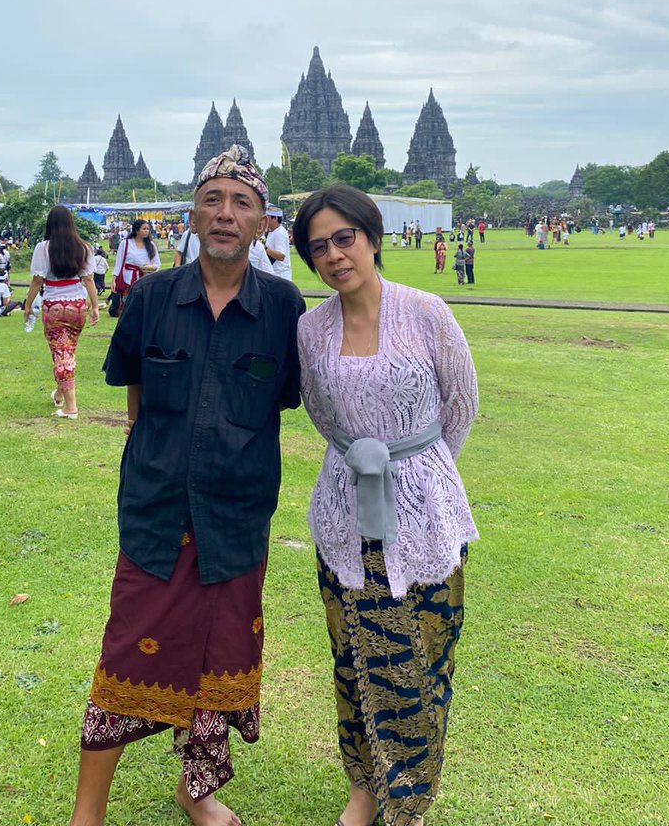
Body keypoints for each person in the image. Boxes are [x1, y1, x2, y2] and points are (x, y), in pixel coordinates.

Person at [69, 145, 305, 826]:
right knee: (125, 650)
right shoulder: (149, 299)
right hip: (157, 514)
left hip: (235, 519)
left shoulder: (284, 310)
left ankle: (194, 792)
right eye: (214, 199)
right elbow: (136, 397)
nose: (226, 214)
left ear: (263, 223)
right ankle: (87, 814)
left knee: (218, 658)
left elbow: (281, 401)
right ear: (192, 215)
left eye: (242, 203)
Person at [292, 185, 478, 826]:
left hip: (425, 512)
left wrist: (414, 467)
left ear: (372, 237)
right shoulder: (310, 330)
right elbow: (320, 411)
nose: (335, 255)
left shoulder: (427, 312)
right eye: (319, 246)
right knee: (352, 656)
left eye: (345, 238)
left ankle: (410, 801)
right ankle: (364, 789)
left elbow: (460, 405)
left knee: (423, 659)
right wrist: (362, 460)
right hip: (346, 513)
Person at [24, 206, 99, 420]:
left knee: (61, 353)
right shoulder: (84, 247)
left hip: (54, 305)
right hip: (77, 304)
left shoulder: (43, 248)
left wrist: (28, 304)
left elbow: (38, 279)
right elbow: (89, 279)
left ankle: (71, 406)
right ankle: (59, 392)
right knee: (67, 350)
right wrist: (94, 307)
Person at [113, 221, 161, 311]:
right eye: (144, 229)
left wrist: (150, 267)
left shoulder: (151, 245)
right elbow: (119, 262)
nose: (146, 231)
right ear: (136, 230)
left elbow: (157, 263)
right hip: (128, 278)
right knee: (128, 305)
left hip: (145, 278)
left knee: (143, 305)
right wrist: (114, 279)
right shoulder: (125, 243)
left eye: (147, 229)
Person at [263, 205, 292, 280]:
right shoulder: (271, 232)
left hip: (280, 275)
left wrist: (264, 248)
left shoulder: (280, 233)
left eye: (267, 217)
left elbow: (281, 256)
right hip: (274, 273)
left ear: (275, 218)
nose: (265, 220)